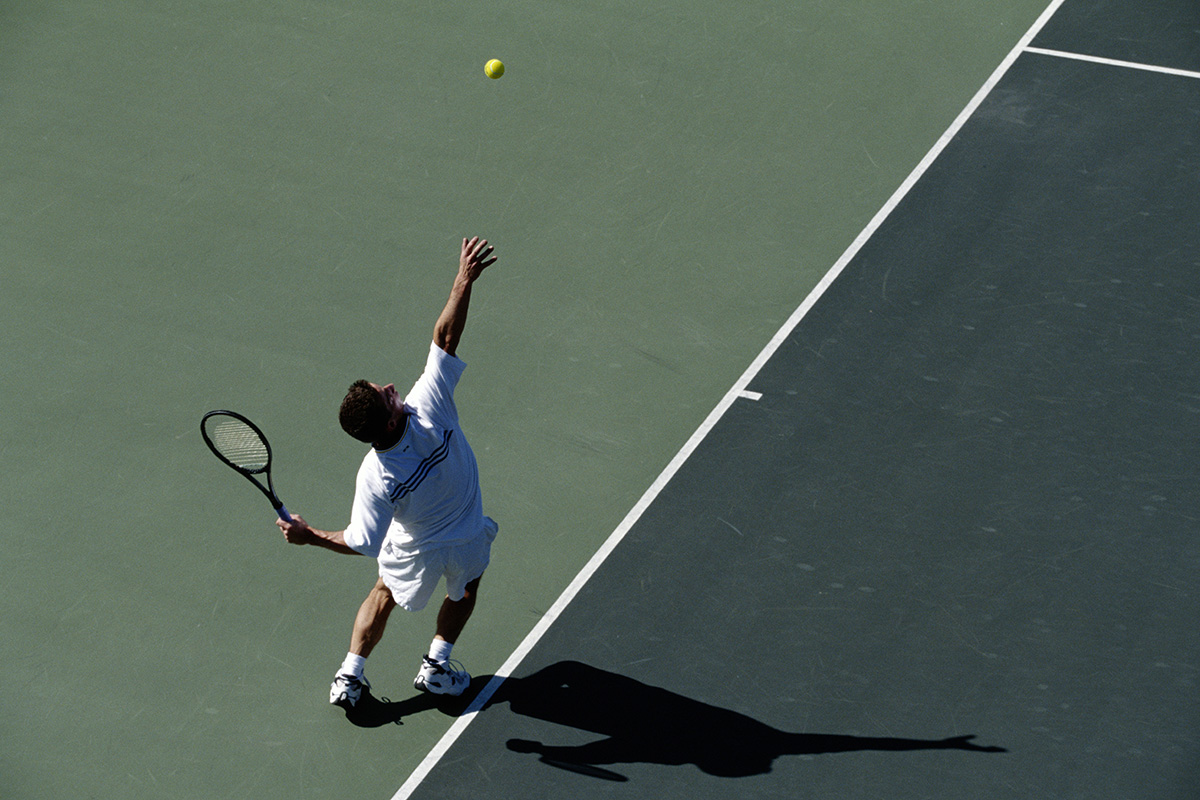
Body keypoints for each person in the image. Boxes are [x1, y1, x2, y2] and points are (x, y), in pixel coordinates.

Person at [276, 236, 499, 709]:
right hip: (465, 534)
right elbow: (445, 338)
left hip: (415, 548)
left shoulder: (374, 476)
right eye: (388, 395)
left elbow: (362, 542)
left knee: (383, 591)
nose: (395, 387)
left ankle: (349, 676)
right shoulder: (429, 406)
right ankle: (437, 667)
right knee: (466, 588)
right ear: (393, 417)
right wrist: (463, 280)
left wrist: (307, 534)